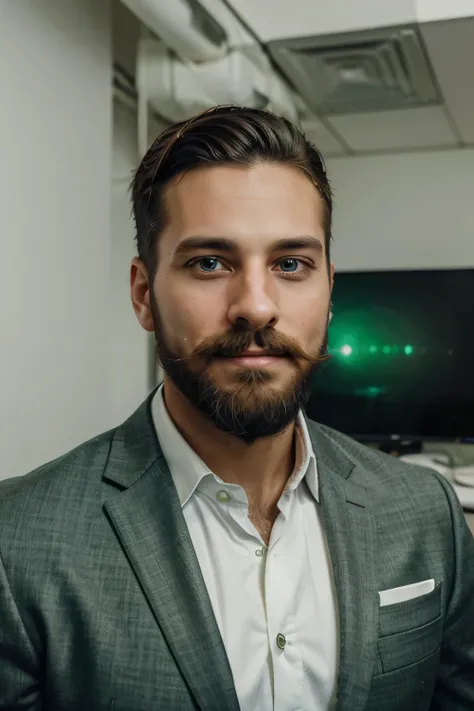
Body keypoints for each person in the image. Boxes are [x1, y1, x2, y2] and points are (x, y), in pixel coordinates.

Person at [0, 106, 473, 711]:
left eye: (291, 264)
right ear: (145, 296)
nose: (255, 306)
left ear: (329, 291)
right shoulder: (17, 544)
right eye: (210, 263)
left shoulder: (424, 514)